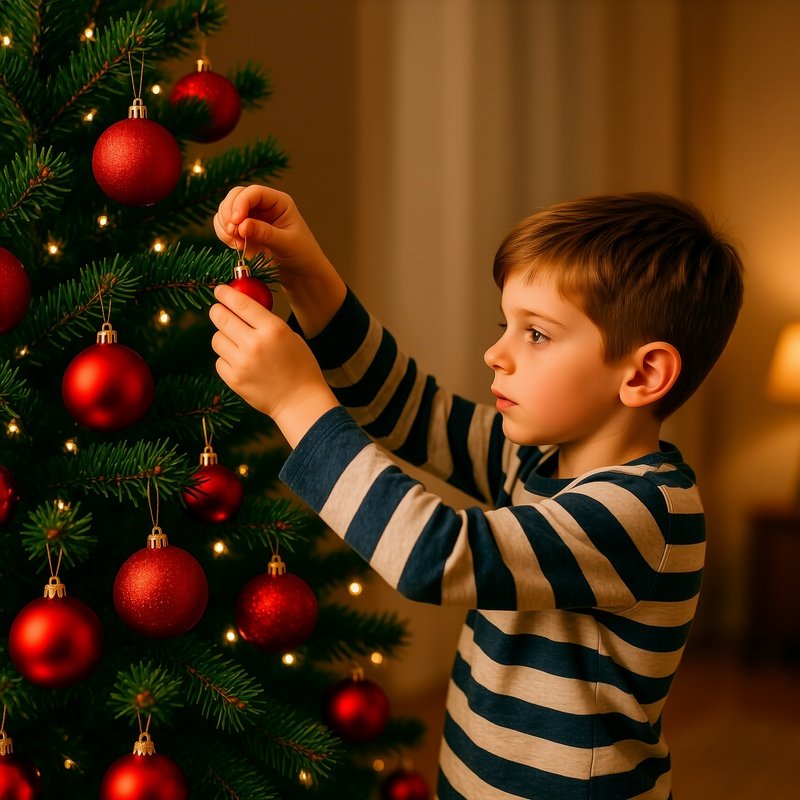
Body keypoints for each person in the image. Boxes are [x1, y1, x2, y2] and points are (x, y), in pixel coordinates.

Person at [209, 186, 744, 800]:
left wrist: (296, 403)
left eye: (536, 334)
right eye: (504, 325)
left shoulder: (644, 513)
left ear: (644, 373)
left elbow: (431, 554)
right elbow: (409, 409)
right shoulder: (538, 460)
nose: (495, 353)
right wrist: (306, 271)